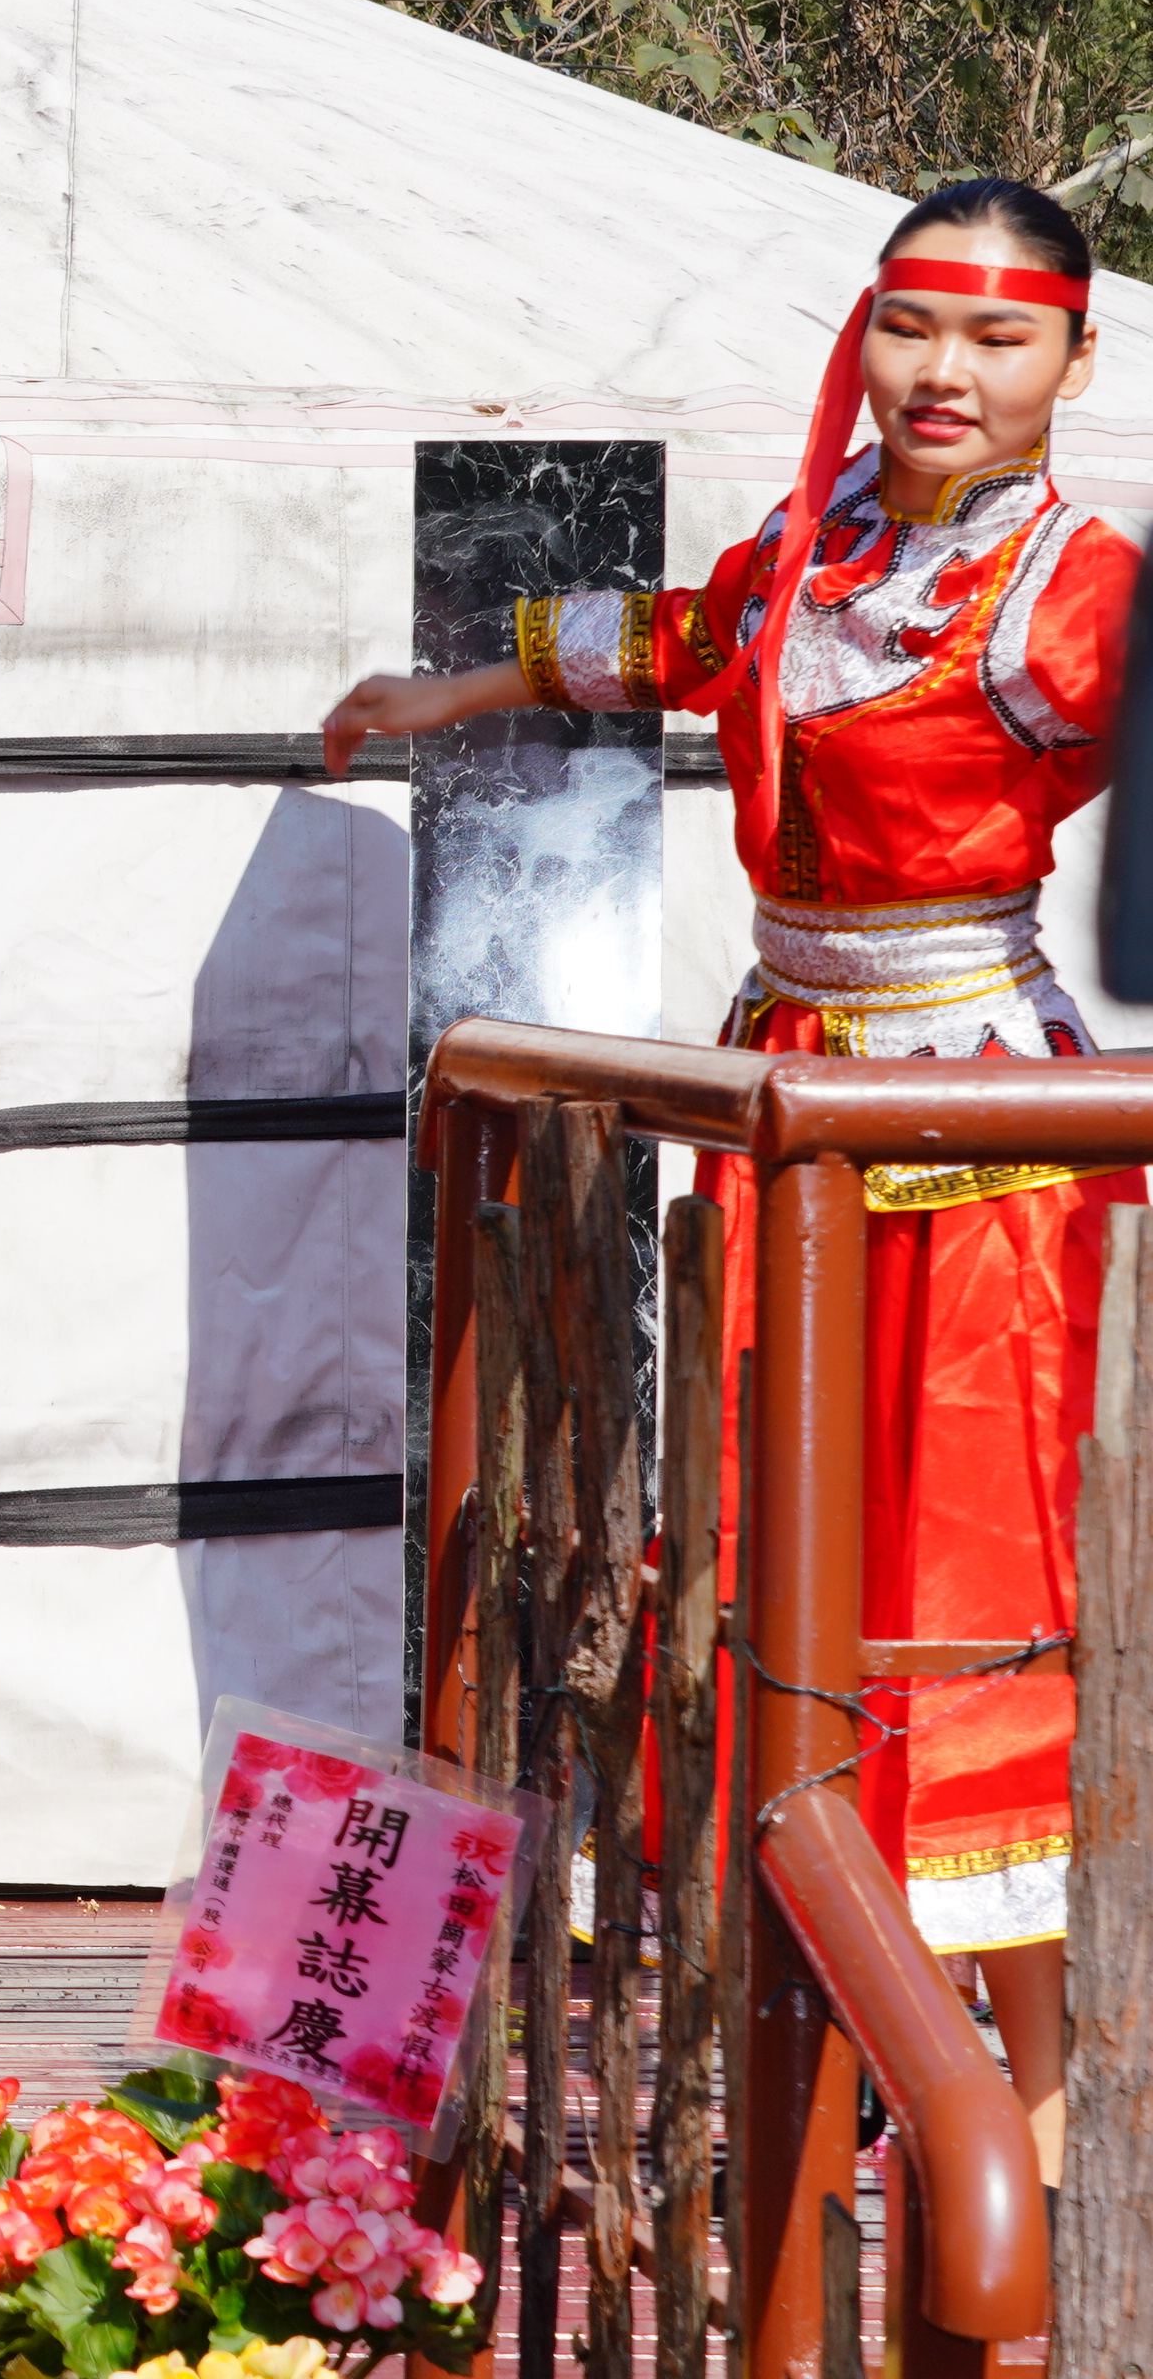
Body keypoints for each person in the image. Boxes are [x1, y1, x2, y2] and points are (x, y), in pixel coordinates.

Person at [323, 176, 1134, 2181]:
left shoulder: (1074, 590)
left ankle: (1020, 2094)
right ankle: (827, 2027)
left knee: (970, 1585)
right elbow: (681, 638)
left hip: (972, 1138)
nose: (943, 371)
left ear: (1074, 362)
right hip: (791, 1107)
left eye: (998, 335)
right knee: (781, 1562)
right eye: (910, 326)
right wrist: (458, 686)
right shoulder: (825, 543)